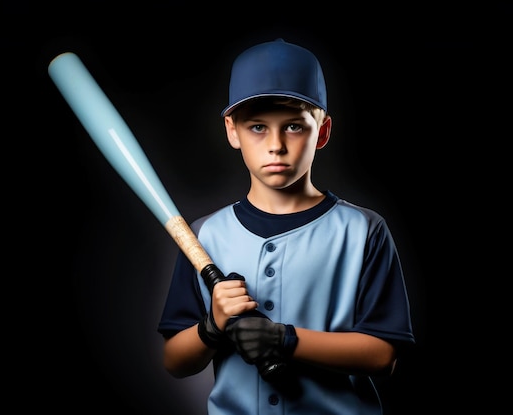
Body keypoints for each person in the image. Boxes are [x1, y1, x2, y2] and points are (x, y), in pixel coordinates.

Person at [157, 38, 415, 414]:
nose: (276, 145)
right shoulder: (205, 235)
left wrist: (285, 340)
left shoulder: (363, 230)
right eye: (257, 126)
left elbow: (383, 356)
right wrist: (212, 326)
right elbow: (176, 362)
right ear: (232, 131)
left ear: (322, 131)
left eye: (294, 126)